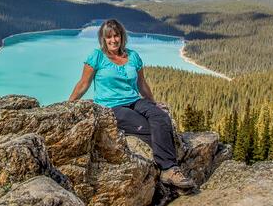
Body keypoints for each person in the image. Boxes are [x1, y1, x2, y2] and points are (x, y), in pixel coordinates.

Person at [69, 18, 195, 189]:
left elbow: (141, 84)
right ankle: (168, 169)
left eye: (116, 35)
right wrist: (69, 105)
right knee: (145, 127)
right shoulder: (96, 56)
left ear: (122, 36)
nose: (113, 40)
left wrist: (153, 103)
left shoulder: (133, 56)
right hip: (110, 106)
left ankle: (168, 170)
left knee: (161, 118)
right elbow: (83, 84)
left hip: (135, 100)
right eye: (109, 37)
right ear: (103, 39)